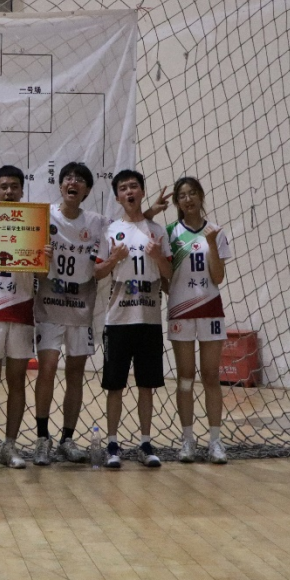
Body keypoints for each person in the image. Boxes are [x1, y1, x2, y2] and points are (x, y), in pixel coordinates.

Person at [33, 162, 169, 466]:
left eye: (80, 180)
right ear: (60, 185)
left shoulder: (98, 223)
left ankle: (67, 439)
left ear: (87, 190)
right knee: (48, 368)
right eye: (68, 178)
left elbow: (131, 224)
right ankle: (42, 438)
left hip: (82, 309)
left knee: (75, 373)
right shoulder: (43, 216)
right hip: (49, 305)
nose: (73, 182)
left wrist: (150, 212)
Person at [93, 169, 172, 468]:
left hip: (149, 319)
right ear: (117, 197)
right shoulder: (110, 230)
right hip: (118, 320)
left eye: (134, 186)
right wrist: (114, 259)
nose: (129, 191)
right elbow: (97, 272)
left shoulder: (157, 230)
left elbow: (170, 275)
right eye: (124, 188)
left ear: (141, 192)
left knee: (146, 385)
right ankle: (113, 443)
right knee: (115, 385)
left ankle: (145, 442)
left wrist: (158, 257)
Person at [0, 165, 43, 470]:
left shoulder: (34, 225)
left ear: (22, 190)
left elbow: (43, 273)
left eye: (14, 186)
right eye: (4, 186)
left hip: (21, 311)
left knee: (17, 381)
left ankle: (10, 445)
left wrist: (46, 257)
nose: (9, 191)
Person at [166, 176, 232, 464]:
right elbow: (165, 277)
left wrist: (212, 244)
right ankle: (188, 440)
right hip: (181, 311)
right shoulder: (170, 233)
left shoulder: (216, 232)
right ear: (177, 202)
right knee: (185, 378)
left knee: (210, 376)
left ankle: (215, 441)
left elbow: (218, 277)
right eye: (182, 195)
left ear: (201, 196)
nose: (188, 199)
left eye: (192, 193)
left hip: (210, 309)